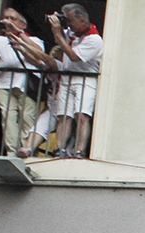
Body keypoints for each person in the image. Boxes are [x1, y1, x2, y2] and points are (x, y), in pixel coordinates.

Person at [0, 8, 44, 155]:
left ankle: (27, 150)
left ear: (22, 25)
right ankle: (12, 151)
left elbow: (39, 54)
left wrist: (20, 42)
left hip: (26, 84)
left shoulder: (33, 40)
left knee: (27, 117)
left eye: (12, 19)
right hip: (4, 83)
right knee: (8, 118)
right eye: (6, 18)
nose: (8, 21)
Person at [47, 3, 104, 158]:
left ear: (82, 20)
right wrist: (56, 29)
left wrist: (59, 35)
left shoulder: (94, 39)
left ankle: (79, 150)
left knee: (82, 115)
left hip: (85, 79)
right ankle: (60, 148)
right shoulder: (72, 34)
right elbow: (60, 42)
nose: (68, 25)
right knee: (63, 116)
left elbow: (73, 56)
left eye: (70, 21)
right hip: (67, 78)